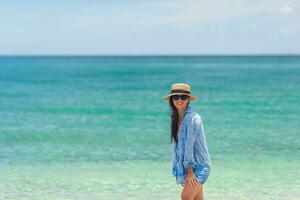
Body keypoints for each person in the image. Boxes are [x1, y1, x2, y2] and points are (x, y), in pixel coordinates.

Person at [163, 83, 211, 200]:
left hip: (200, 166)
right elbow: (177, 147)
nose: (179, 100)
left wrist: (189, 172)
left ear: (188, 99)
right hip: (187, 167)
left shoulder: (194, 119)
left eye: (183, 97)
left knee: (185, 197)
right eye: (176, 97)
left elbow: (189, 145)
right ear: (172, 99)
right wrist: (181, 170)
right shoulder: (174, 119)